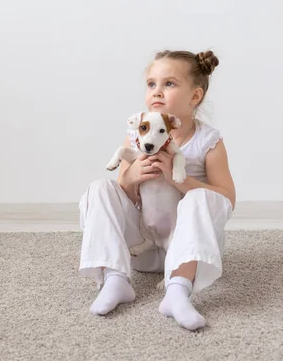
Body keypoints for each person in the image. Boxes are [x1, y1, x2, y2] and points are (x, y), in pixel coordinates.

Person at [78, 49, 236, 331]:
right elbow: (122, 195)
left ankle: (178, 289)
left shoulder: (207, 141)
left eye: (169, 84)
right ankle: (115, 277)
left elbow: (226, 199)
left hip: (187, 248)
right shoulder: (137, 134)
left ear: (195, 97)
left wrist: (181, 181)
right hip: (143, 249)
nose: (157, 92)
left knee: (201, 195)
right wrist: (132, 177)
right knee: (99, 189)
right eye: (151, 84)